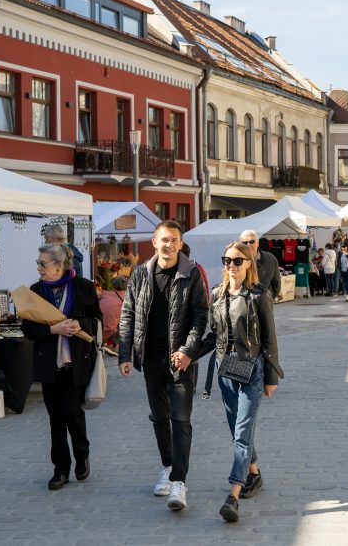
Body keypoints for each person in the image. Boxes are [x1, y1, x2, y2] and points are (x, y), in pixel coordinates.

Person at [186, 241, 283, 523]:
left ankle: (233, 494)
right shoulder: (216, 294)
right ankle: (254, 473)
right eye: (227, 260)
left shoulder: (258, 295)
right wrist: (188, 355)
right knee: (237, 430)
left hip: (251, 368)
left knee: (242, 431)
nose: (232, 265)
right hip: (224, 368)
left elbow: (270, 339)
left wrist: (271, 376)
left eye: (238, 261)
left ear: (249, 264)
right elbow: (211, 337)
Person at [118, 220, 209, 512]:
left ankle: (179, 482)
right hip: (150, 357)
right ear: (154, 243)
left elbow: (199, 316)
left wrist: (188, 351)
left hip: (180, 358)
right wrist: (124, 353)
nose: (168, 245)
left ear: (180, 244)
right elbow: (128, 313)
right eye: (163, 240)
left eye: (173, 240)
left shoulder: (191, 273)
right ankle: (168, 467)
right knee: (159, 417)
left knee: (180, 418)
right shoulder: (140, 274)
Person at [21, 243, 101, 490]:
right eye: (38, 263)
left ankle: (82, 454)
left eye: (42, 264)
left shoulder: (84, 288)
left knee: (73, 413)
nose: (39, 268)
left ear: (59, 266)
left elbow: (97, 320)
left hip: (77, 363)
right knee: (56, 418)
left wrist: (81, 325)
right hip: (49, 366)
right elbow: (28, 329)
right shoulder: (35, 291)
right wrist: (52, 329)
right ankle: (60, 469)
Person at [239, 229, 281, 300]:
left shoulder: (270, 258)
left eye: (252, 241)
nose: (248, 245)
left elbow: (276, 281)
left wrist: (269, 299)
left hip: (264, 302)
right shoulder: (236, 260)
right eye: (245, 243)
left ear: (257, 243)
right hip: (243, 303)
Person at [97, 276, 127, 355]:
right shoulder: (126, 299)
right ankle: (117, 346)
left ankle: (108, 344)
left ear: (113, 285)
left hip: (96, 328)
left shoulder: (104, 294)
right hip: (110, 331)